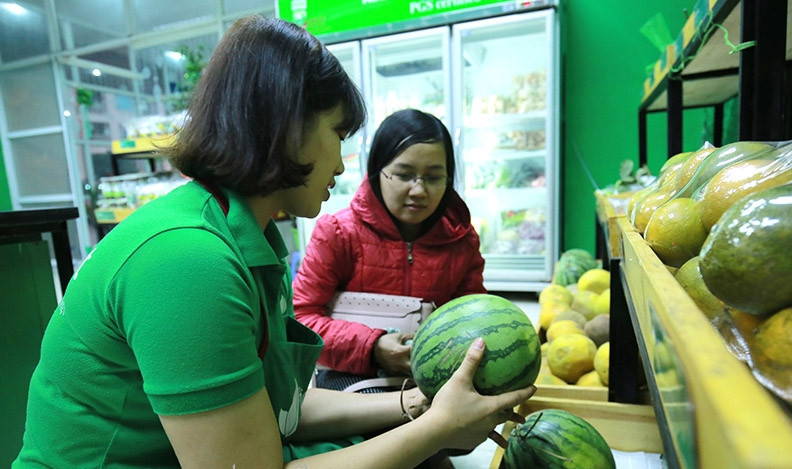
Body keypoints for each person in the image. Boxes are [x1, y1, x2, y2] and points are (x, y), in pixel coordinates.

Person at [13, 16, 535, 468]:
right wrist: (437, 430)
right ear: (286, 123)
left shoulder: (251, 237)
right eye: (337, 133)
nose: (342, 163)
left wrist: (414, 406)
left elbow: (278, 407)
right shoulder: (187, 259)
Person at [294, 108, 487, 385]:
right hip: (350, 381)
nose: (419, 191)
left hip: (430, 382)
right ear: (377, 171)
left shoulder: (461, 240)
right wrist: (372, 347)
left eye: (433, 178)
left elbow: (473, 320)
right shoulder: (337, 233)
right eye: (403, 175)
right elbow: (300, 319)